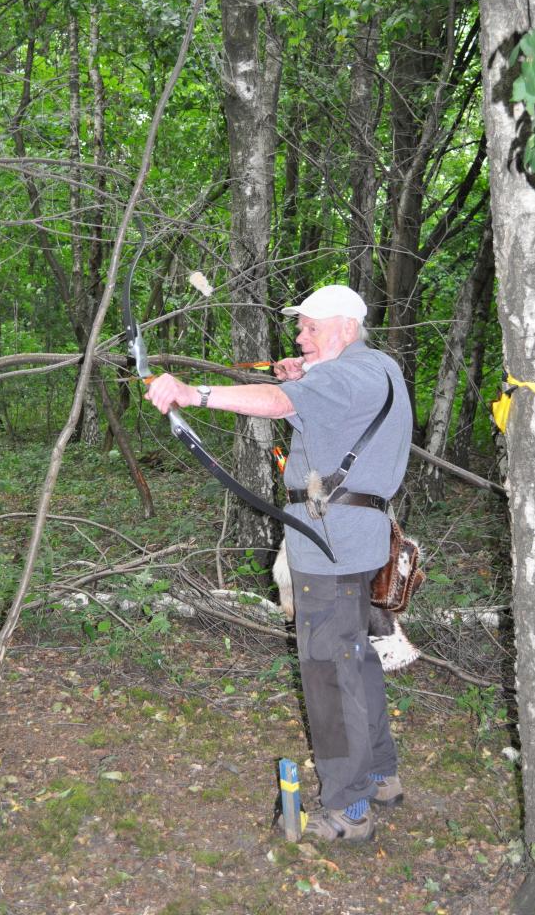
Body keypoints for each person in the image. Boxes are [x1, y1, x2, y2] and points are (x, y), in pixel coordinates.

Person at [145, 284, 412, 844]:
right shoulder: (373, 369)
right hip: (351, 539)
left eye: (310, 327)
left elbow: (276, 403)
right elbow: (320, 422)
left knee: (327, 670)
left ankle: (348, 808)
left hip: (331, 541)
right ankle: (380, 775)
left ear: (343, 326)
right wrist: (303, 381)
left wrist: (193, 393)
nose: (299, 336)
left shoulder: (349, 374)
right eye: (301, 328)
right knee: (353, 658)